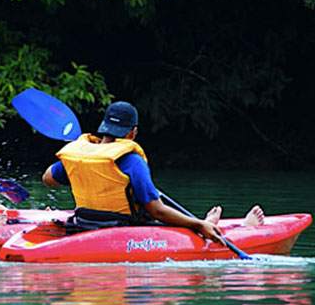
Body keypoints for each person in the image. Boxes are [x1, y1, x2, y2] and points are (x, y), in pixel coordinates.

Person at [42, 101, 265, 242]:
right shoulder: (131, 160)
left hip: (83, 225)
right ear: (133, 132)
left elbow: (48, 179)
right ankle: (222, 227)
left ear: (103, 127)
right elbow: (156, 211)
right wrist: (197, 225)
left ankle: (209, 223)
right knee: (183, 225)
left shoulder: (81, 154)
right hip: (125, 230)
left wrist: (84, 171)